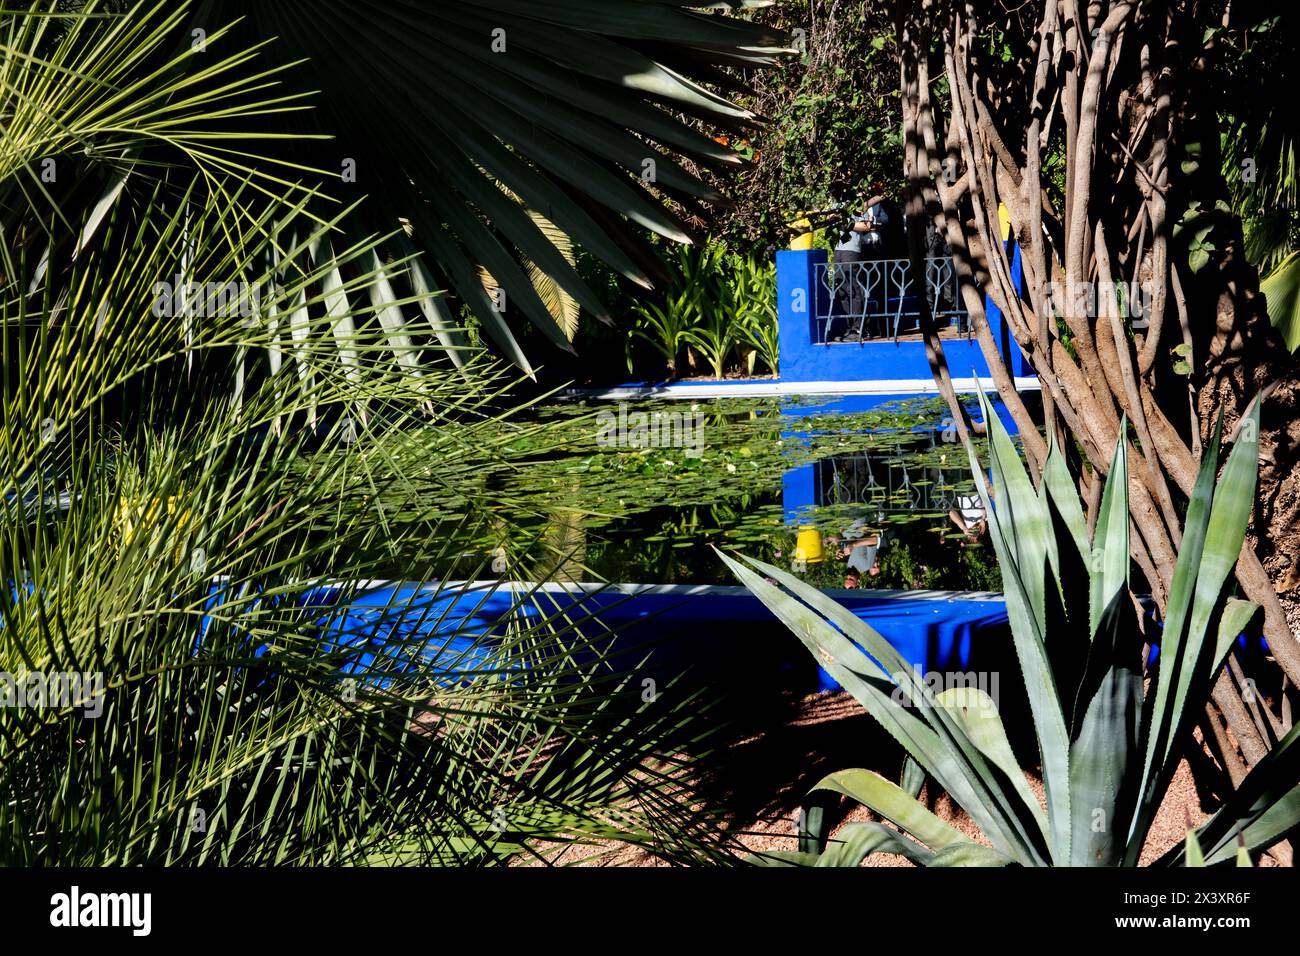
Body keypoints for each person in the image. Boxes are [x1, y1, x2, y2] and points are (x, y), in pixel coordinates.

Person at [832, 184, 892, 340]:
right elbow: (830, 219)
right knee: (841, 289)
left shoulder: (859, 204)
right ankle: (851, 327)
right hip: (838, 248)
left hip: (852, 249)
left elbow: (866, 226)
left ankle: (860, 329)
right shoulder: (837, 204)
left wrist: (846, 223)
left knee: (854, 288)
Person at [829, 517, 883, 588]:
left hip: (843, 521)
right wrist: (853, 545)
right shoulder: (868, 565)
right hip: (859, 519)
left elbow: (841, 537)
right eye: (851, 579)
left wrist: (838, 546)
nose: (848, 576)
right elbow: (875, 540)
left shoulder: (848, 565)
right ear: (858, 583)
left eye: (847, 578)